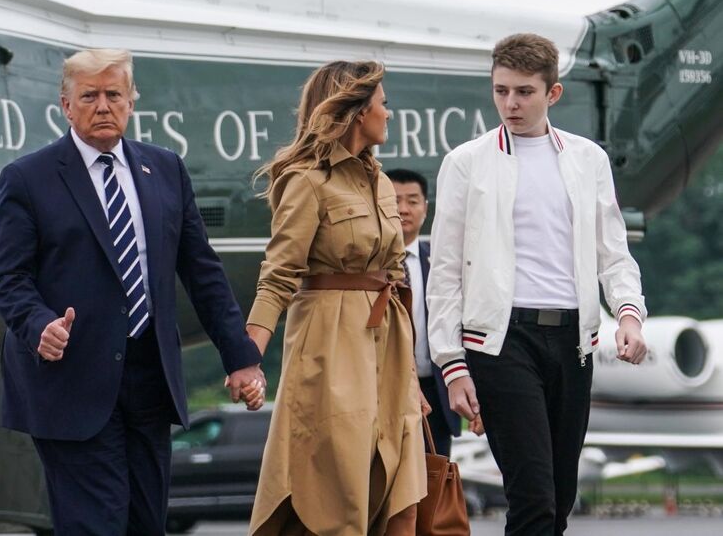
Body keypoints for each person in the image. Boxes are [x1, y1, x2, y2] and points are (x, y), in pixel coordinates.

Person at [0, 48, 265, 534]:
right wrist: (38, 326)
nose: (102, 105)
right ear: (65, 106)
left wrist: (240, 357)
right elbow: (7, 278)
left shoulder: (167, 170)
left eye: (113, 94)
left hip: (149, 380)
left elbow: (202, 271)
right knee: (96, 524)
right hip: (69, 379)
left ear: (131, 101)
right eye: (88, 95)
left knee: (145, 524)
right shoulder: (27, 179)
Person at [427, 33, 648, 535]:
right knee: (533, 499)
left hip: (575, 340)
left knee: (560, 501)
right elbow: (444, 271)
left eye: (524, 91)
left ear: (553, 94)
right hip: (501, 342)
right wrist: (452, 364)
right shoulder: (465, 163)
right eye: (501, 90)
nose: (510, 103)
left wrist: (629, 314)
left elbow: (613, 253)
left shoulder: (588, 159)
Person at [245, 60, 428, 535]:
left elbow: (395, 274)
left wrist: (411, 375)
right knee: (338, 498)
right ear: (357, 110)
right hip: (329, 344)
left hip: (388, 345)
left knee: (403, 498)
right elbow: (278, 275)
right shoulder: (306, 180)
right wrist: (248, 357)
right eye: (383, 104)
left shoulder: (383, 182)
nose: (389, 114)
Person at [385, 168, 462, 457]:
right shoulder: (365, 264)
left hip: (436, 395)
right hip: (383, 394)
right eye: (394, 201)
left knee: (434, 484)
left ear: (426, 208)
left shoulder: (443, 262)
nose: (403, 209)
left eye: (412, 201)